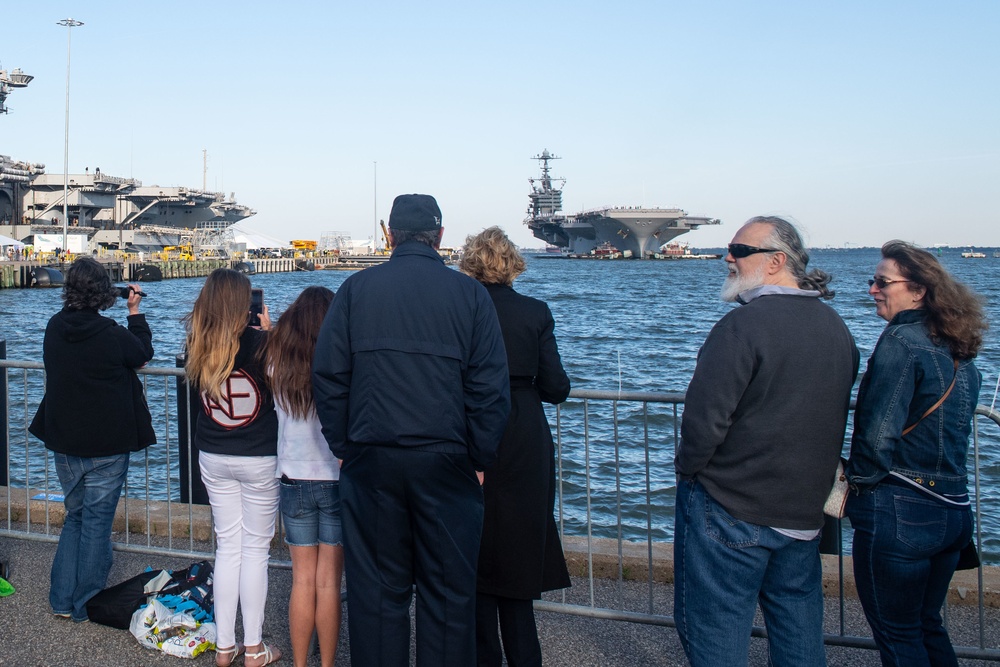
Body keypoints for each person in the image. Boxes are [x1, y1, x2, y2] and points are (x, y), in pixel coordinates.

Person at [313, 193, 510, 665]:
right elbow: (490, 389)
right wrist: (478, 457)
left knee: (378, 598)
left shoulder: (356, 290)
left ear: (389, 235)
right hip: (448, 464)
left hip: (372, 461)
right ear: (441, 237)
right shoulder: (470, 295)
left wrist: (346, 446)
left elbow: (328, 376)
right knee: (448, 599)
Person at [673, 216, 860, 667]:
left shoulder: (742, 327)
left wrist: (690, 470)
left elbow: (703, 423)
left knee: (715, 626)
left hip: (731, 505)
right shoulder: (836, 327)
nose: (728, 258)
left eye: (740, 250)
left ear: (777, 261)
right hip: (802, 510)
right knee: (798, 626)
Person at [846, 241, 986, 666]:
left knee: (898, 634)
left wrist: (856, 489)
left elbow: (876, 434)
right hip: (954, 509)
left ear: (919, 290)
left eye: (882, 281)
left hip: (901, 508)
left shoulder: (902, 341)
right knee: (927, 625)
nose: (872, 289)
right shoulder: (958, 347)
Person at [459, 226, 571, 666]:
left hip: (471, 425)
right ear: (512, 263)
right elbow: (557, 387)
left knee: (476, 539)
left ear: (470, 262)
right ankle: (526, 656)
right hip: (524, 430)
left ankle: (483, 656)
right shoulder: (535, 311)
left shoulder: (463, 309)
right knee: (522, 539)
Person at [28, 256, 154, 622]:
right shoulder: (111, 333)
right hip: (107, 445)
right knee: (96, 522)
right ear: (102, 293)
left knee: (75, 517)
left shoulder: (54, 327)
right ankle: (86, 602)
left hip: (64, 440)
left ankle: (61, 600)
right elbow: (142, 353)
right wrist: (135, 312)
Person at [184, 268, 281, 667]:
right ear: (246, 306)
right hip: (259, 455)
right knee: (255, 550)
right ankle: (254, 648)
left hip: (213, 454)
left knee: (228, 548)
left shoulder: (198, 344)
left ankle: (225, 647)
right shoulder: (263, 345)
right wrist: (272, 332)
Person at [261, 286, 343, 667]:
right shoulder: (339, 361)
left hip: (292, 478)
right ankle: (326, 664)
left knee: (302, 580)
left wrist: (268, 331)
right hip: (335, 477)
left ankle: (299, 664)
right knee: (329, 583)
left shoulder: (276, 360)